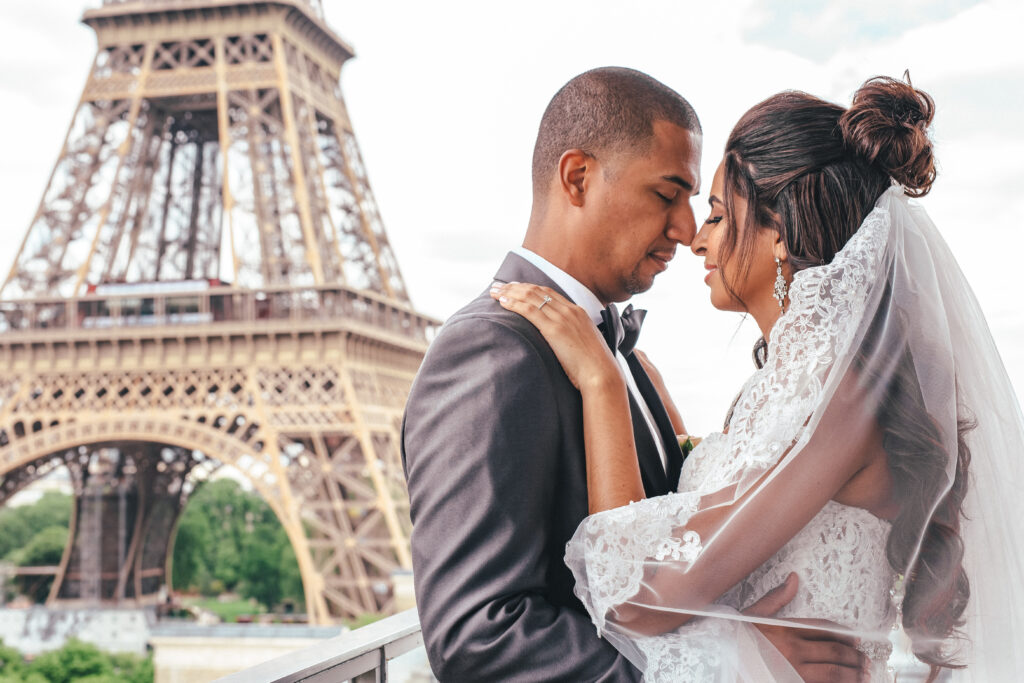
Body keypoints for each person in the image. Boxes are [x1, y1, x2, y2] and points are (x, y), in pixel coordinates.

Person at [492, 75, 1024, 681]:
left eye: (718, 215)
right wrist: (745, 642)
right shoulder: (797, 390)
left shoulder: (841, 399)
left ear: (780, 232)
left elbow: (634, 595)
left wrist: (602, 384)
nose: (696, 237)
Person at [402, 67, 867, 681]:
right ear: (578, 178)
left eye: (701, 206)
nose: (685, 229)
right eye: (666, 193)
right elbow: (478, 636)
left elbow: (671, 557)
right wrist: (731, 661)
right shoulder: (492, 351)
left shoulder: (621, 359)